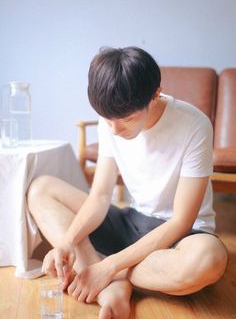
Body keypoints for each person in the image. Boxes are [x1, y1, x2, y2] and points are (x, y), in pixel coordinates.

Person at [27, 47, 228, 319]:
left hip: (181, 235)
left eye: (127, 120)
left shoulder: (194, 125)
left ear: (155, 93)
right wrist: (68, 242)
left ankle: (104, 272)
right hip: (132, 221)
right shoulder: (111, 117)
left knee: (209, 260)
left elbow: (181, 221)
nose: (114, 130)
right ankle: (113, 281)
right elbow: (99, 196)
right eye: (108, 121)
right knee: (41, 189)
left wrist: (109, 266)